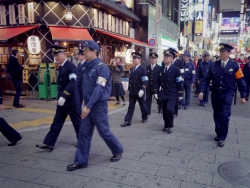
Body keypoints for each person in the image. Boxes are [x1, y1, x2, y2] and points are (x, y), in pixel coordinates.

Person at [67, 41, 123, 171]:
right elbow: (81, 84)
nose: (84, 52)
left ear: (94, 51)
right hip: (88, 105)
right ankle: (81, 161)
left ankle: (118, 149)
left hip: (98, 106)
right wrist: (80, 102)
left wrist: (88, 106)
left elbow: (99, 89)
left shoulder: (101, 67)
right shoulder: (85, 65)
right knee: (83, 133)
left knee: (104, 131)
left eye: (86, 50)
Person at [199, 43, 247, 147]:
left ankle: (222, 137)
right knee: (217, 114)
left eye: (223, 51)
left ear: (229, 53)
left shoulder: (235, 65)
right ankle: (218, 132)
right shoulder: (214, 65)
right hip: (216, 93)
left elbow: (241, 81)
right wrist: (202, 91)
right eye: (220, 51)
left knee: (225, 115)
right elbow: (206, 79)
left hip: (228, 93)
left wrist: (243, 96)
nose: (221, 53)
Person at [36, 45, 81, 151]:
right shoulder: (61, 66)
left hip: (71, 101)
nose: (56, 57)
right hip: (62, 102)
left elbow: (72, 83)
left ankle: (82, 141)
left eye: (57, 55)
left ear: (64, 54)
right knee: (57, 122)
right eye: (55, 55)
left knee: (77, 123)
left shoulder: (71, 66)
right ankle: (48, 143)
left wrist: (64, 96)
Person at [155, 49, 183, 134]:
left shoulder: (176, 69)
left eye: (168, 57)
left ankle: (170, 125)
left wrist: (180, 93)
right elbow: (157, 82)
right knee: (164, 110)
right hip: (163, 93)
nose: (166, 58)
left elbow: (179, 82)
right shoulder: (160, 69)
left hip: (172, 93)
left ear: (172, 59)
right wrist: (156, 91)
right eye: (165, 56)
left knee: (169, 109)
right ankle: (166, 124)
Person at [121, 52, 148, 127]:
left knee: (142, 105)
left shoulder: (143, 69)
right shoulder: (131, 69)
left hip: (139, 91)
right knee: (131, 106)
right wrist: (129, 89)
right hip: (133, 91)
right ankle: (127, 120)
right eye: (134, 59)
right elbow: (131, 80)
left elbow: (145, 80)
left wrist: (143, 89)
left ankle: (145, 117)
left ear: (140, 60)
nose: (134, 60)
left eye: (136, 59)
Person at [170, 48, 184, 117]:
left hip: (177, 82)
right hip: (169, 83)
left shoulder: (180, 62)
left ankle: (175, 112)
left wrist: (181, 82)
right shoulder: (167, 62)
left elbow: (182, 73)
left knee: (175, 99)